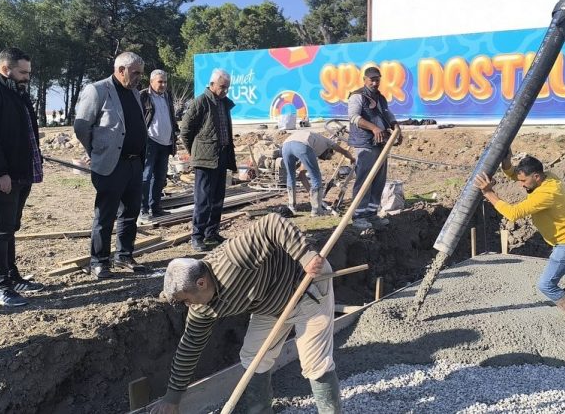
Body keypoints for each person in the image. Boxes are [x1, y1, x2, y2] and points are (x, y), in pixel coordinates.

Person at [150, 213, 341, 414]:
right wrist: (172, 398)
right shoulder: (201, 308)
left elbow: (271, 223)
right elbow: (189, 346)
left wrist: (306, 255)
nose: (187, 305)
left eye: (186, 299)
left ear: (201, 283)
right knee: (253, 359)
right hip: (270, 304)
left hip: (305, 287)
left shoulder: (232, 260)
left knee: (315, 363)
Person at [474, 151, 565, 326]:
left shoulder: (547, 193)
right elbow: (516, 175)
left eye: (524, 181)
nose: (521, 185)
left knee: (546, 284)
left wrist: (489, 193)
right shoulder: (547, 177)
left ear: (536, 177)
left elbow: (513, 213)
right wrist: (507, 163)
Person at [0, 47, 45, 306]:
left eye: (28, 72)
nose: (27, 77)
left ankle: (13, 276)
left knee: (11, 227)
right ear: (6, 69)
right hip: (1, 176)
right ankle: (0, 287)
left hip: (20, 172)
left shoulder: (16, 92)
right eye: (23, 72)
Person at [74, 51, 147, 279]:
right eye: (135, 73)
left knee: (130, 212)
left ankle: (124, 255)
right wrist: (97, 151)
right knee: (105, 215)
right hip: (111, 165)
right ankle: (99, 260)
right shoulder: (97, 90)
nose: (138, 78)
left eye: (140, 74)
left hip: (134, 164)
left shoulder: (134, 92)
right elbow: (81, 127)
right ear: (121, 69)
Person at [180, 68, 237, 252]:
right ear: (212, 84)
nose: (225, 91)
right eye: (222, 87)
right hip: (204, 159)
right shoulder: (201, 102)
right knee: (203, 200)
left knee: (218, 198)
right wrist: (195, 152)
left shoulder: (224, 103)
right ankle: (197, 236)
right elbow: (186, 130)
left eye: (227, 87)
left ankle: (211, 233)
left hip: (221, 156)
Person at [347, 66, 402, 230]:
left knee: (379, 180)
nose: (375, 82)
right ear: (364, 79)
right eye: (372, 79)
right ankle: (358, 216)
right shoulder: (357, 96)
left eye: (377, 79)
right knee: (365, 179)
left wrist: (396, 127)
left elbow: (387, 114)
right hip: (365, 143)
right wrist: (374, 128)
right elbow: (354, 117)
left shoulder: (380, 97)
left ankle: (371, 213)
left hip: (381, 143)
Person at [282, 131, 355, 216]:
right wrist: (352, 159)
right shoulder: (328, 142)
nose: (324, 159)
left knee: (290, 175)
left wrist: (311, 193)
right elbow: (344, 152)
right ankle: (316, 210)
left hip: (286, 146)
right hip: (302, 145)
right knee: (316, 177)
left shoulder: (314, 145)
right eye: (327, 157)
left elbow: (302, 175)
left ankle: (291, 207)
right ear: (328, 150)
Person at [139, 69, 179, 220]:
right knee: (146, 176)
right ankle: (143, 209)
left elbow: (171, 116)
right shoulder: (143, 96)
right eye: (160, 82)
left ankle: (155, 207)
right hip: (150, 141)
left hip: (166, 142)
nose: (163, 85)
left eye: (165, 82)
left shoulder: (167, 96)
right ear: (151, 82)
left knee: (160, 177)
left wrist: (175, 132)